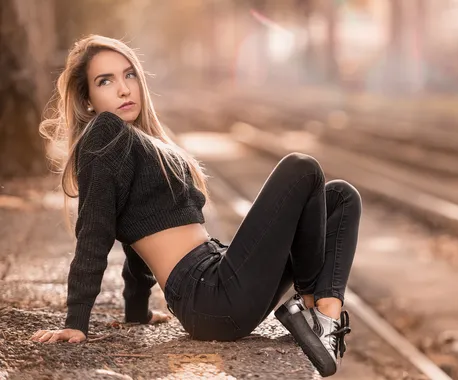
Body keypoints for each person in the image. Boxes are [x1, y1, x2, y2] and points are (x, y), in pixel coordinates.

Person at [30, 35, 361, 377]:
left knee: (339, 197)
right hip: (208, 295)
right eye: (105, 81)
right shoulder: (106, 132)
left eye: (129, 75)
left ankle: (321, 318)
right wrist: (76, 320)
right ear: (87, 100)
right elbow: (95, 230)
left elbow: (135, 235)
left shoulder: (143, 144)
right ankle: (313, 308)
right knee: (301, 168)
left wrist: (137, 310)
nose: (124, 89)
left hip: (218, 280)